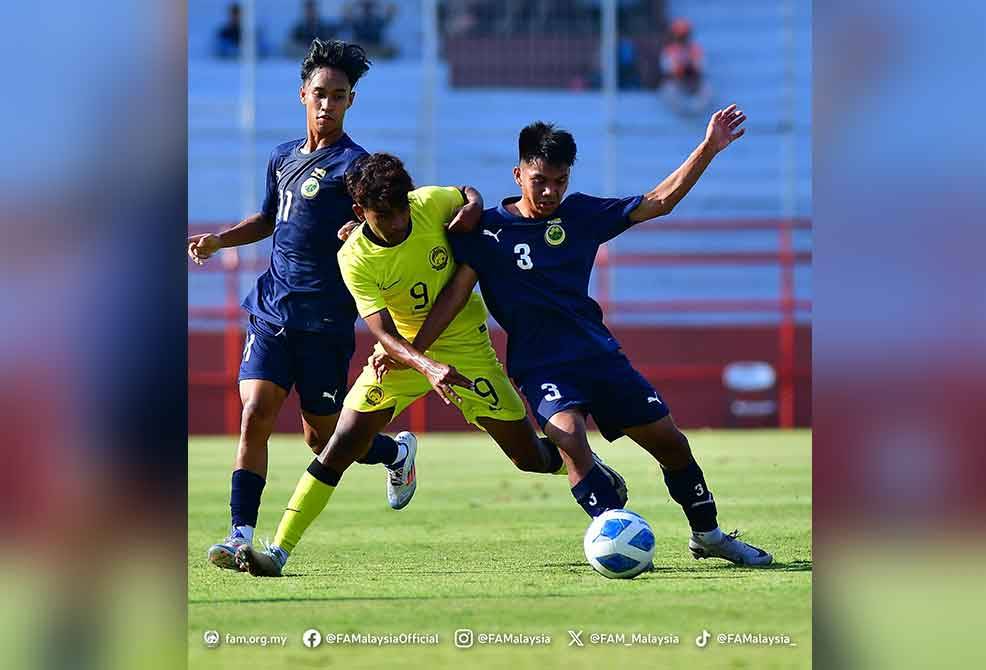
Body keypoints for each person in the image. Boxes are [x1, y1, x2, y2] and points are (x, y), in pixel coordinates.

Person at [376, 111, 773, 566]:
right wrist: (414, 349)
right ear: (518, 174)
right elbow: (450, 290)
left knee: (671, 444)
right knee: (568, 439)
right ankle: (614, 536)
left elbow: (659, 201)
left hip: (597, 355)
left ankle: (709, 535)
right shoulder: (484, 231)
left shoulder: (581, 214)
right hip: (540, 365)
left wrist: (708, 148)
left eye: (560, 181)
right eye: (540, 181)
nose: (550, 192)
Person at [235, 153, 627, 577]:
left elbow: (467, 192)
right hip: (400, 357)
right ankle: (278, 551)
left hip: (466, 349)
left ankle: (584, 463)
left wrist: (473, 205)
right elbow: (383, 333)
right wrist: (426, 365)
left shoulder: (428, 203)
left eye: (401, 209)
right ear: (360, 213)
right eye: (384, 216)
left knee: (528, 456)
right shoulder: (354, 256)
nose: (398, 222)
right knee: (340, 444)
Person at [188, 40, 410, 572]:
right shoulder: (282, 156)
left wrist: (360, 230)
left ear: (351, 101)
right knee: (254, 415)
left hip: (325, 321)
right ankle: (240, 535)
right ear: (302, 95)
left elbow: (387, 221)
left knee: (322, 437)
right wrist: (220, 240)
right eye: (319, 93)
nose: (327, 104)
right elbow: (269, 219)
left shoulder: (355, 165)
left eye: (338, 95)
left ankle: (396, 452)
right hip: (272, 310)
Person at [659, 18, 711, 115]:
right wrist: (681, 69)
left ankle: (695, 112)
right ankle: (681, 113)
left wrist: (690, 68)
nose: (682, 38)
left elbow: (701, 68)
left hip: (693, 81)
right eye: (680, 35)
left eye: (684, 35)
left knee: (707, 89)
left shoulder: (695, 49)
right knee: (668, 88)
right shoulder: (669, 50)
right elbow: (668, 70)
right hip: (677, 82)